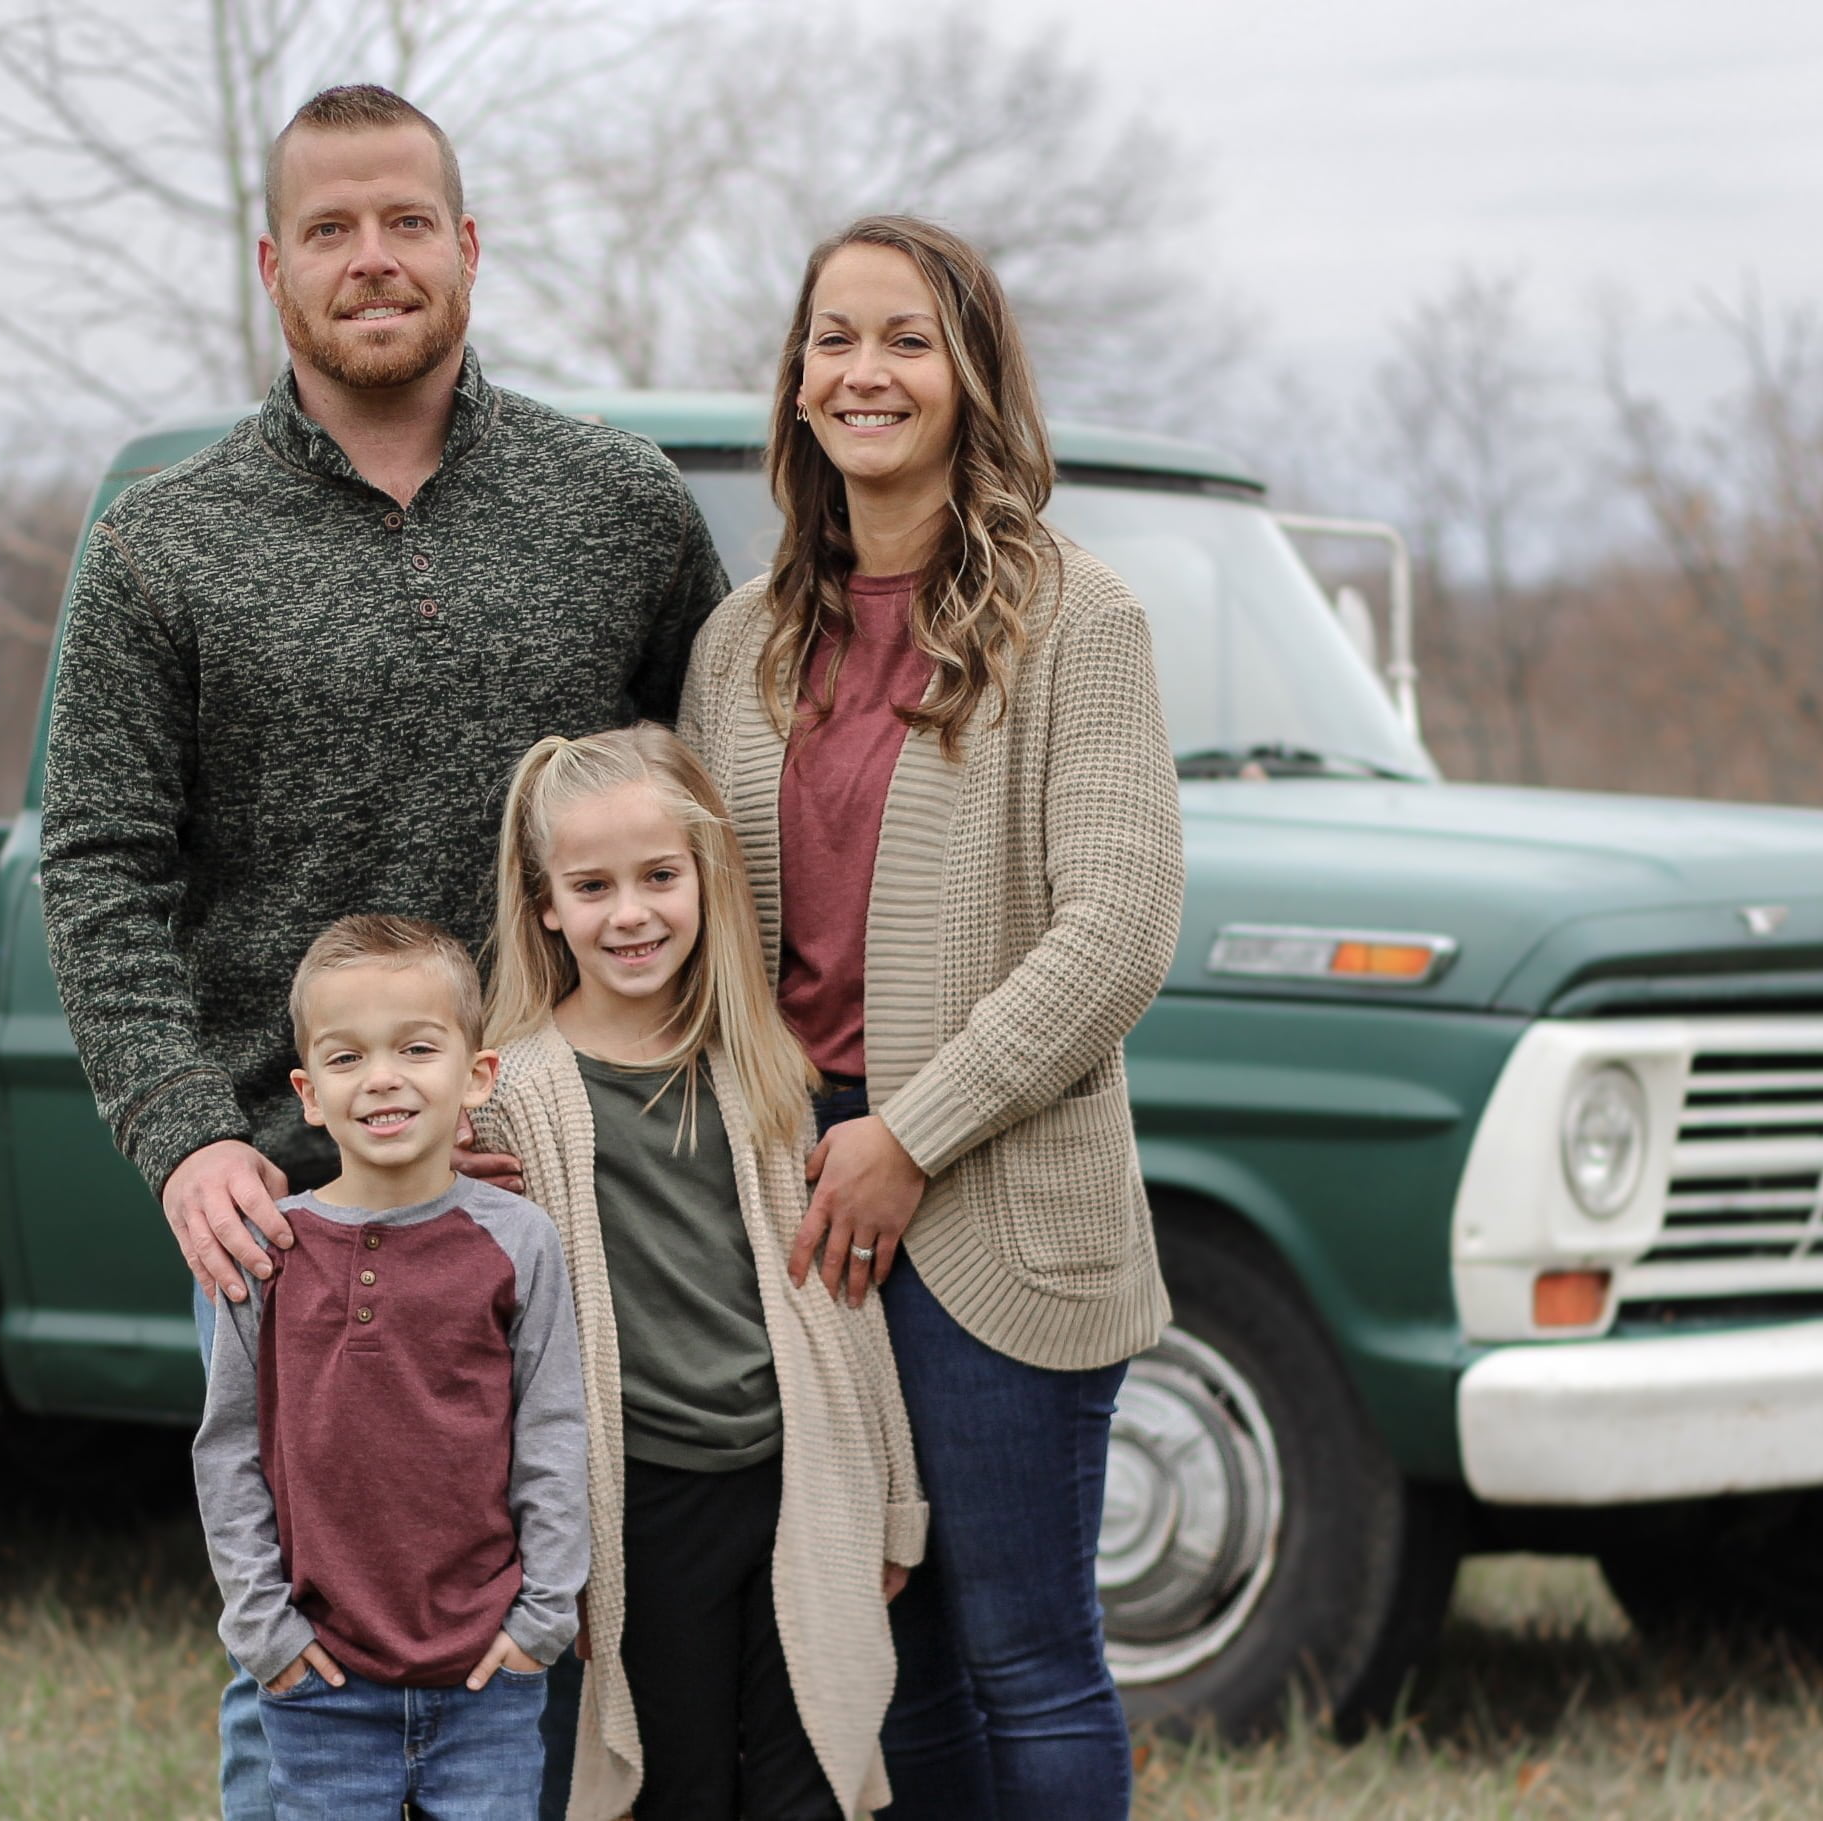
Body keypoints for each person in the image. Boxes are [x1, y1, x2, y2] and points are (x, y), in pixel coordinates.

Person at [35, 82, 726, 1815]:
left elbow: (714, 826)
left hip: (579, 1191)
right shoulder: (165, 546)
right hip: (300, 1214)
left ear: (468, 246)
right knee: (318, 1677)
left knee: (583, 1637)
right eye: (331, 229)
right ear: (273, 265)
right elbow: (102, 861)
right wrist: (185, 1131)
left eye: (406, 221)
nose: (373, 259)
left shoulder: (620, 505)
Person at [677, 216, 1185, 1819]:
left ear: (969, 373)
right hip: (801, 1210)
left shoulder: (1073, 619)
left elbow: (1118, 926)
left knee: (1021, 1652)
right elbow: (704, 945)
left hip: (992, 1199)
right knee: (876, 1653)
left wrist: (911, 1131)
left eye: (904, 338)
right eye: (833, 338)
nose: (864, 371)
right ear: (796, 382)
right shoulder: (738, 644)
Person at [475, 725, 927, 1821]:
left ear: (706, 879)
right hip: (643, 1506)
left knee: (810, 1779)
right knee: (679, 1790)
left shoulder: (757, 1066)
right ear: (544, 903)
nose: (630, 914)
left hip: (793, 1481)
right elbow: (502, 1359)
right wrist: (543, 1551)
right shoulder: (515, 1098)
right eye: (592, 886)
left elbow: (838, 1300)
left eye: (659, 877)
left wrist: (895, 1505)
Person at [193, 914, 587, 1821]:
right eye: (346, 1058)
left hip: (488, 1677)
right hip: (323, 1683)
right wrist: (267, 1634)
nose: (382, 1078)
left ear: (476, 1074)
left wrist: (541, 1622)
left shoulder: (517, 1242)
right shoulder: (267, 1254)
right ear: (308, 1093)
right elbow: (230, 1455)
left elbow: (553, 1432)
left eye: (416, 1047)